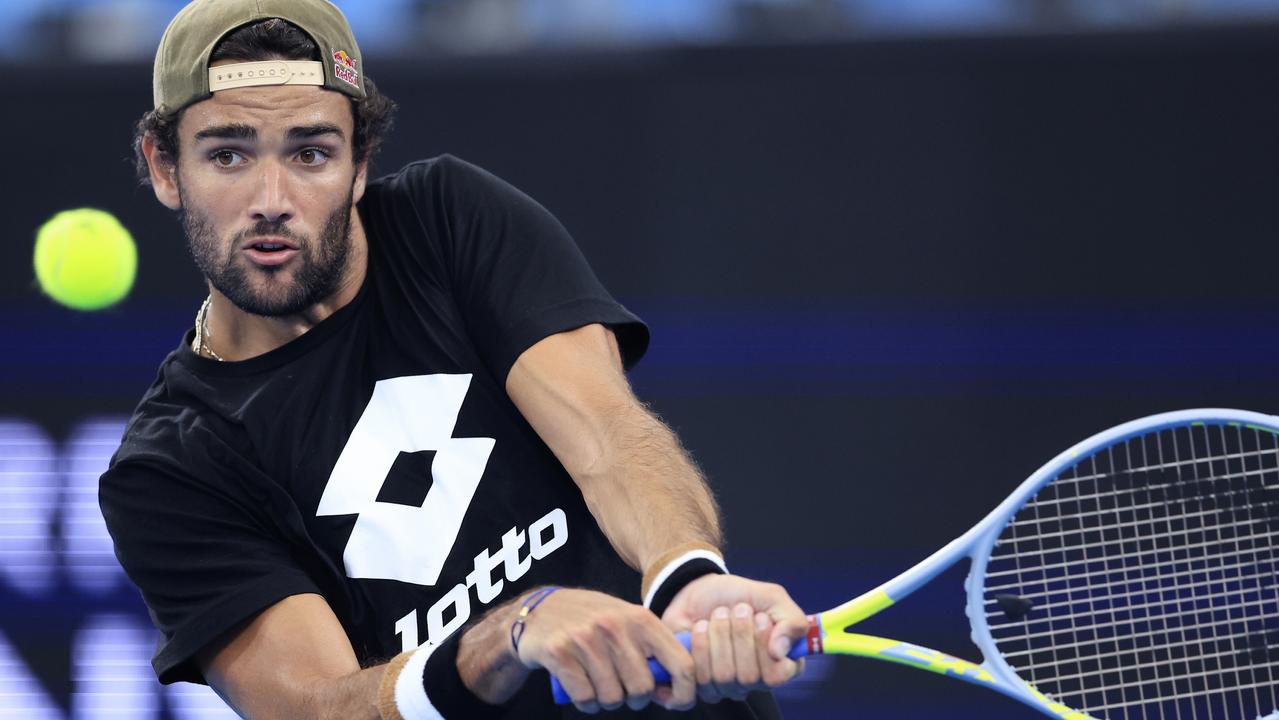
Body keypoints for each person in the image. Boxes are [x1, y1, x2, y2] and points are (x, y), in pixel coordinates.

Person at [99, 1, 807, 718]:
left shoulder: (449, 221)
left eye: (310, 152)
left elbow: (607, 434)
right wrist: (510, 633)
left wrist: (686, 577)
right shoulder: (167, 470)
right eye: (228, 154)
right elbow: (316, 708)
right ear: (164, 168)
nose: (271, 200)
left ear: (359, 164)